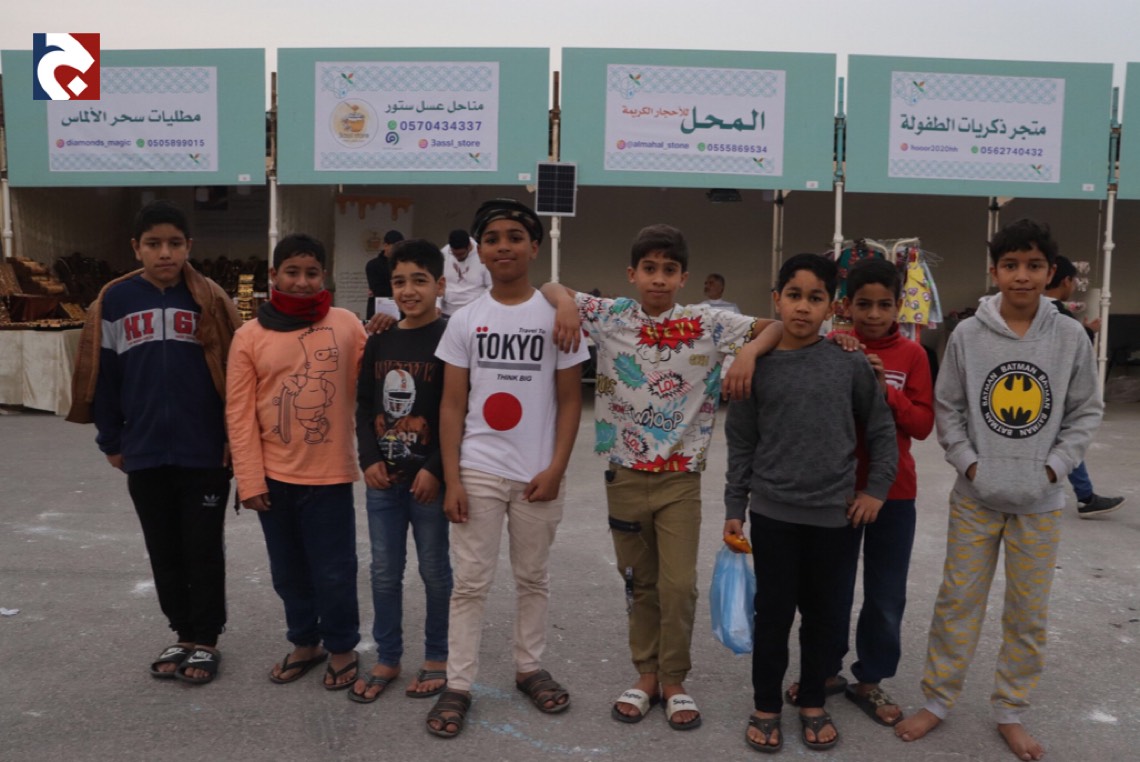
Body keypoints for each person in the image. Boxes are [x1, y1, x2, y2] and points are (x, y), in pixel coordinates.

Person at [542, 225, 786, 732]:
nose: (658, 278)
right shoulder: (610, 315)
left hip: (680, 480)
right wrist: (565, 305)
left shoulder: (708, 323)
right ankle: (647, 675)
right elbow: (549, 286)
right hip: (624, 475)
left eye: (669, 270)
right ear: (632, 274)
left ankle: (675, 679)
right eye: (649, 269)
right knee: (639, 583)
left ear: (683, 278)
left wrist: (745, 353)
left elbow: (775, 327)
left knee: (678, 587)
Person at [895, 219, 1104, 761]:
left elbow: (1085, 411)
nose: (1022, 276)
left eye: (1034, 265)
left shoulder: (1069, 337)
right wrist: (970, 466)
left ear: (1050, 272)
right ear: (995, 272)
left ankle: (1011, 710)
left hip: (1040, 503)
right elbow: (949, 407)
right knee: (957, 602)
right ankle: (937, 700)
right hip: (976, 500)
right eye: (1011, 265)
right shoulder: (968, 335)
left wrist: (1053, 470)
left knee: (1027, 612)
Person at [425, 199, 589, 739]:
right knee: (470, 583)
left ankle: (528, 667)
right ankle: (458, 683)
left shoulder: (557, 316)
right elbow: (452, 404)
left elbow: (571, 400)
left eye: (515, 237)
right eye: (492, 238)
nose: (503, 246)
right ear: (480, 251)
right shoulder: (465, 320)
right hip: (479, 470)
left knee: (533, 578)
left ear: (534, 247)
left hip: (537, 474)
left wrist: (557, 468)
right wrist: (453, 478)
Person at [723, 253, 898, 753]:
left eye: (815, 298)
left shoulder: (848, 363)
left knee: (825, 616)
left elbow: (881, 431)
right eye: (794, 295)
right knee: (773, 616)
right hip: (773, 515)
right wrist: (735, 507)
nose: (803, 307)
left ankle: (814, 702)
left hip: (835, 519)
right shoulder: (754, 368)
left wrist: (876, 490)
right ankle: (766, 706)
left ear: (831, 307)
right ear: (776, 300)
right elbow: (741, 444)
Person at [68, 199, 241, 685]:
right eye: (154, 244)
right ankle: (182, 632)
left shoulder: (210, 298)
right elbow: (105, 378)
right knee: (163, 548)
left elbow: (235, 373)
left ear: (189, 246)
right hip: (143, 450)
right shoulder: (115, 300)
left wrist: (233, 438)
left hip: (204, 450)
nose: (165, 253)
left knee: (202, 548)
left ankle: (206, 638)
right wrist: (111, 439)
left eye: (175, 243)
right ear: (136, 248)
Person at [783, 257, 933, 727]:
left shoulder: (913, 356)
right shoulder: (833, 347)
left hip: (895, 494)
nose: (873, 315)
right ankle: (824, 671)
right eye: (863, 305)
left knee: (886, 595)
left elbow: (922, 424)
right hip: (838, 491)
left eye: (884, 305)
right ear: (845, 306)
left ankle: (870, 679)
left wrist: (884, 389)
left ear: (899, 305)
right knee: (830, 590)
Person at [226, 233, 368, 692]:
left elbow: (372, 381)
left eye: (311, 273)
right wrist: (250, 480)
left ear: (323, 275)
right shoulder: (249, 336)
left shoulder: (347, 325)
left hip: (330, 476)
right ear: (273, 275)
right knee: (288, 571)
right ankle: (306, 642)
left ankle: (342, 646)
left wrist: (389, 331)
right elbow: (239, 414)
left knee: (335, 569)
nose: (302, 282)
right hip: (274, 478)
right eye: (292, 272)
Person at [351, 239, 453, 704]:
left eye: (419, 280)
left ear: (440, 285)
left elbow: (459, 411)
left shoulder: (452, 338)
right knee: (384, 572)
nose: (409, 290)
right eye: (399, 282)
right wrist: (369, 459)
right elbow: (364, 404)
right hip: (384, 482)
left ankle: (437, 656)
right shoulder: (380, 339)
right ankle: (388, 657)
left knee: (434, 571)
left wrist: (436, 469)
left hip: (429, 483)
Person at [1044, 255, 1125, 518]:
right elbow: (1068, 353)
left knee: (1062, 441)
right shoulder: (1059, 316)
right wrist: (1088, 332)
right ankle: (1085, 497)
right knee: (1067, 440)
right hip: (1055, 393)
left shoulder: (1031, 313)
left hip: (1039, 393)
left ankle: (1085, 495)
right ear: (1066, 280)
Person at [440, 229, 489, 315]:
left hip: (474, 311)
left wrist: (478, 306)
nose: (457, 258)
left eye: (461, 254)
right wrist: (437, 305)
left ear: (469, 247)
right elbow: (437, 281)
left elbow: (491, 286)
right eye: (454, 254)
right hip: (447, 311)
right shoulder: (444, 253)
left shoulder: (483, 255)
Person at [365, 230, 404, 319]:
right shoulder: (373, 265)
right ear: (385, 245)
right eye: (395, 246)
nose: (398, 250)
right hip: (380, 310)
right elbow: (379, 290)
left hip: (401, 311)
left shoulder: (404, 264)